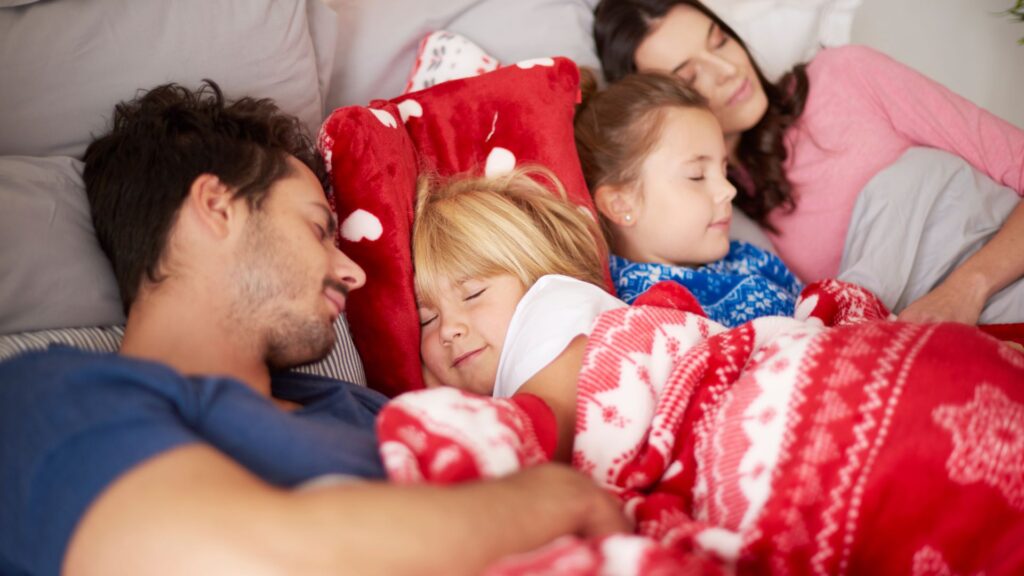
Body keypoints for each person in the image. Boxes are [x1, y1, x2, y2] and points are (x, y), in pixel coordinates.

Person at [0, 81, 628, 576]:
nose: (352, 273)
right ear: (215, 208)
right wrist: (554, 500)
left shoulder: (368, 411)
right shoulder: (46, 398)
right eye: (317, 230)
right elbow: (243, 560)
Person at [592, 0, 1024, 325]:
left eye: (719, 39)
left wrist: (969, 287)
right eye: (689, 77)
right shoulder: (715, 212)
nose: (726, 69)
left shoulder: (846, 75)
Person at [414, 166, 625, 461]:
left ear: (536, 276)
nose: (449, 329)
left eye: (473, 294)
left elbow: (539, 448)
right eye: (427, 320)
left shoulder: (555, 304)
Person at [574, 70, 803, 327]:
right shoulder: (641, 317)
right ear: (621, 204)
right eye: (697, 176)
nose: (728, 189)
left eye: (724, 171)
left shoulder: (749, 258)